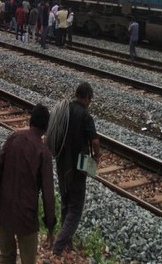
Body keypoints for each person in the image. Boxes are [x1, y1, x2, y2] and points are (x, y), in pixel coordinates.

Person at [0, 104, 55, 264]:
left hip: (6, 211)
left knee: (6, 257)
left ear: (31, 121)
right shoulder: (43, 152)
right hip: (27, 217)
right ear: (46, 128)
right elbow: (48, 194)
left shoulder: (13, 138)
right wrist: (50, 227)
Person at [46, 82, 100, 256]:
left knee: (65, 201)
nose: (89, 103)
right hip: (78, 166)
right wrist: (97, 156)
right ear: (86, 98)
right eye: (90, 100)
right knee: (76, 207)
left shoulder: (64, 110)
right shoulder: (85, 115)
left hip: (62, 163)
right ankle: (59, 245)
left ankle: (67, 242)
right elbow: (95, 141)